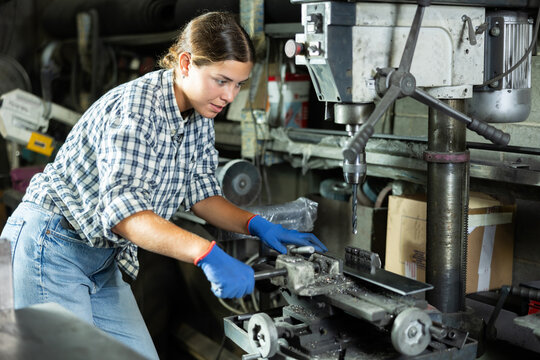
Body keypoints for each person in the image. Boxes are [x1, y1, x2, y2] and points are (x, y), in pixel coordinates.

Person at [0, 11, 327, 360]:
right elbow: (127, 216)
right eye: (221, 80)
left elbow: (202, 194)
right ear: (186, 63)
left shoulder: (200, 116)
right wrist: (205, 253)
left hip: (101, 259)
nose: (230, 95)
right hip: (51, 248)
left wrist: (257, 225)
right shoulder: (137, 110)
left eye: (238, 84)